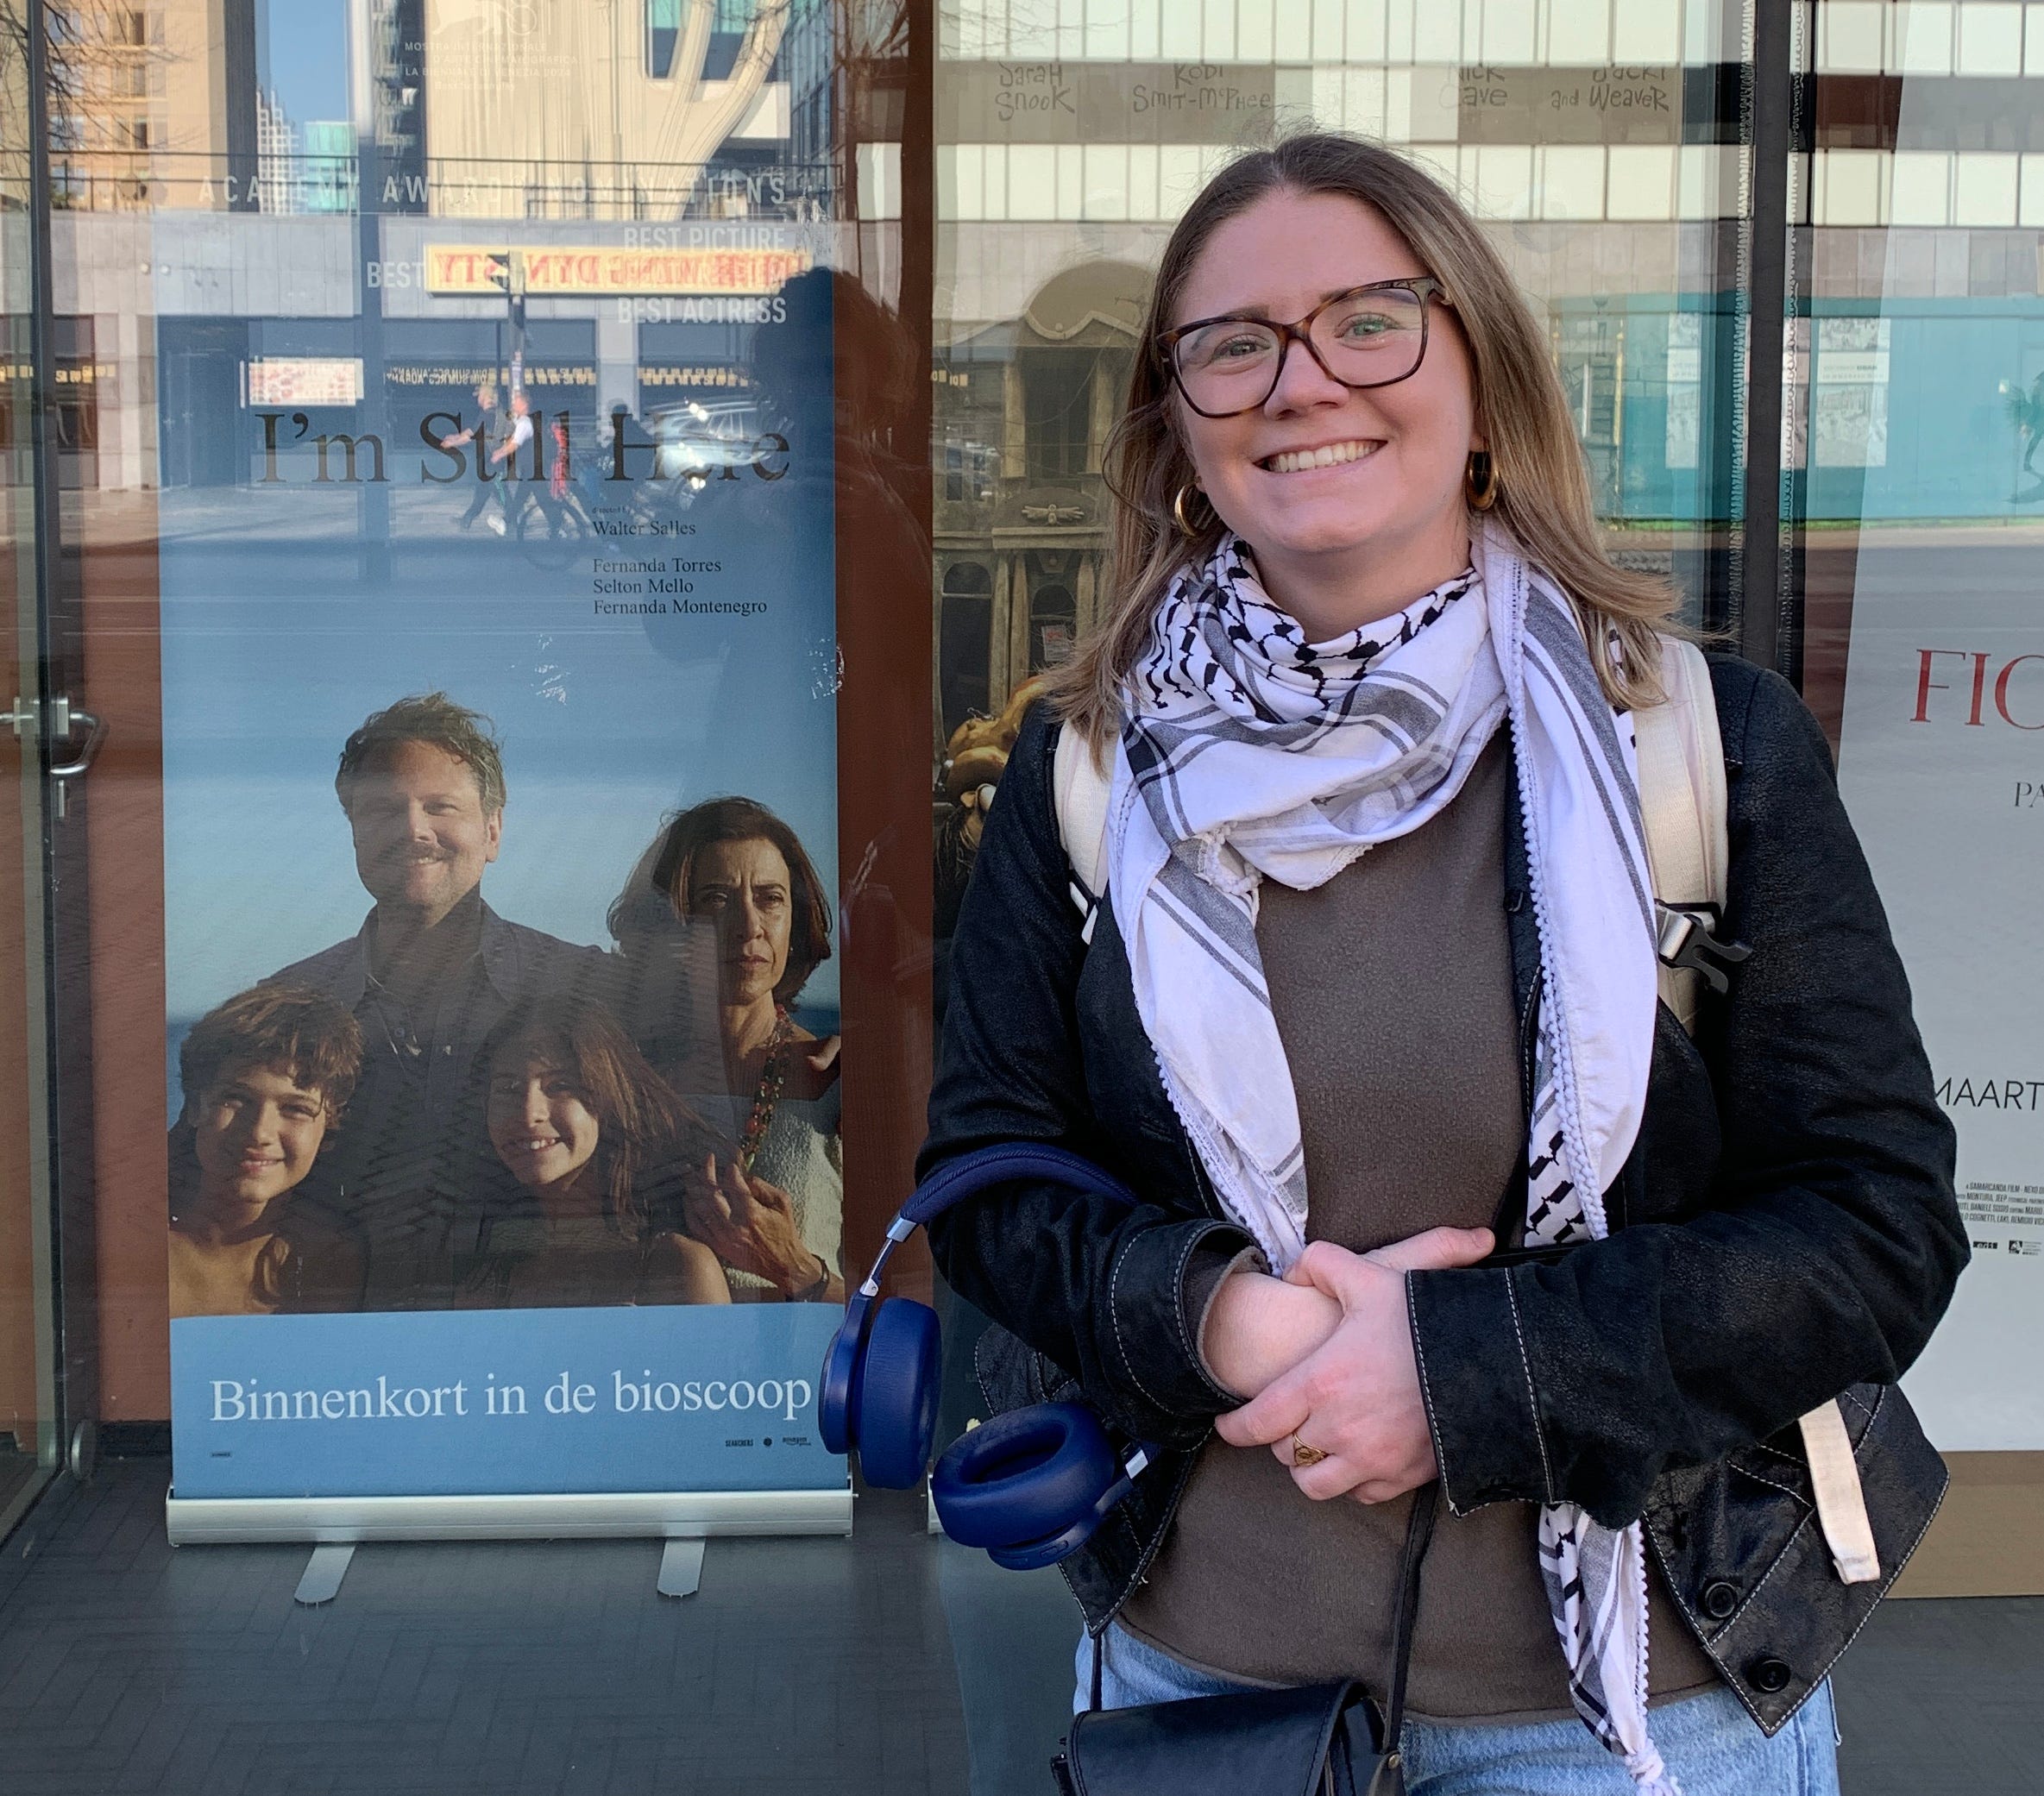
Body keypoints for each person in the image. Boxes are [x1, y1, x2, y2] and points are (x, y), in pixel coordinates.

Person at [919, 134, 1965, 1796]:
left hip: (1643, 1714)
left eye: (1369, 319)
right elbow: (982, 1181)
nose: (1299, 380)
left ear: (1478, 374)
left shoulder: (1698, 749)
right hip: (1201, 1691)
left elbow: (1875, 1227)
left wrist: (1462, 1373)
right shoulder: (1084, 768)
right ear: (1177, 424)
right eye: (1232, 343)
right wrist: (1226, 1320)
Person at [268, 693, 619, 1266]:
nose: (413, 830)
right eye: (383, 811)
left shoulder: (590, 987)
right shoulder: (287, 1005)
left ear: (494, 832)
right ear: (354, 833)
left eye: (440, 807)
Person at [631, 797, 846, 1304]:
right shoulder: (629, 1080)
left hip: (793, 1381)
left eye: (770, 898)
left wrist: (798, 1270)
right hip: (652, 1382)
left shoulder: (838, 1081)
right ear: (672, 925)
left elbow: (902, 1308)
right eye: (716, 900)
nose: (748, 924)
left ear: (795, 922)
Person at [461, 994, 731, 1309]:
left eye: (560, 1086)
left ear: (608, 1100)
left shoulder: (672, 1269)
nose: (528, 1113)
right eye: (507, 1088)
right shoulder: (486, 1274)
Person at [169, 985, 367, 1317]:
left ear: (330, 1123)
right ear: (194, 1107)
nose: (259, 1132)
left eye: (296, 1109)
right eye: (237, 1099)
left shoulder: (332, 1261)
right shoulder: (133, 1243)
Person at [439, 383, 501, 531]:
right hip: (488, 462)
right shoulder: (487, 413)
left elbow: (470, 436)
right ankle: (467, 520)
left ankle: (513, 520)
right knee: (483, 492)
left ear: (486, 396)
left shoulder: (489, 414)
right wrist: (455, 437)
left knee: (497, 492)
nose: (477, 399)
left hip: (492, 462)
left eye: (479, 396)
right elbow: (471, 431)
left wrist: (453, 443)